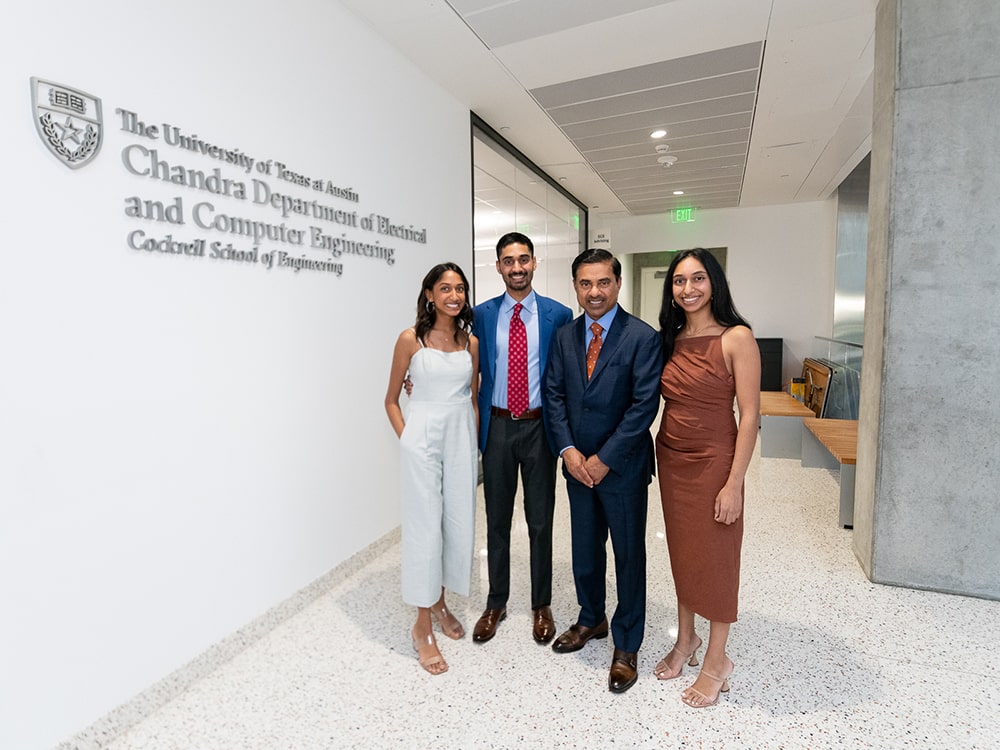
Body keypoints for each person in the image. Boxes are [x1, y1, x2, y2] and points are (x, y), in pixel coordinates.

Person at [544, 248, 662, 693]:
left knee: (629, 556)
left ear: (618, 283)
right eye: (585, 284)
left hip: (623, 468)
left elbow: (642, 407)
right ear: (575, 287)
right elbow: (553, 395)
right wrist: (570, 452)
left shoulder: (642, 337)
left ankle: (627, 641)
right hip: (577, 469)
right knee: (584, 552)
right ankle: (591, 619)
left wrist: (603, 458)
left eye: (603, 282)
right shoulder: (564, 337)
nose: (594, 292)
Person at [653, 248, 760, 707]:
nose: (689, 288)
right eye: (679, 280)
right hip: (672, 458)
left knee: (716, 557)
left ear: (714, 282)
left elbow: (751, 415)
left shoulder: (736, 337)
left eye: (698, 278)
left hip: (716, 461)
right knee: (683, 552)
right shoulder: (669, 338)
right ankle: (686, 640)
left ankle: (718, 659)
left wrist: (734, 482)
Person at [471, 232, 573, 645]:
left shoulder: (558, 314)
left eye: (523, 260)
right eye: (508, 261)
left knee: (540, 520)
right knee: (496, 519)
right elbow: (459, 358)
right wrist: (414, 377)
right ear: (498, 266)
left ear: (535, 263)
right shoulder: (481, 314)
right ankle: (496, 601)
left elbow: (567, 376)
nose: (517, 267)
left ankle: (541, 603)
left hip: (539, 429)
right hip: (496, 426)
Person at [384, 262, 480, 676]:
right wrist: (408, 439)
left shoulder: (469, 342)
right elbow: (390, 398)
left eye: (460, 288)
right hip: (421, 438)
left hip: (461, 436)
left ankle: (440, 599)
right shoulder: (411, 339)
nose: (454, 296)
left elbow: (471, 398)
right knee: (424, 526)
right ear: (429, 294)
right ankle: (422, 624)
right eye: (445, 288)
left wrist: (474, 445)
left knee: (457, 524)